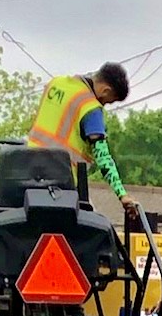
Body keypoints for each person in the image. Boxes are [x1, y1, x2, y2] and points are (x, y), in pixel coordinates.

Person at [27, 63, 134, 213]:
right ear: (106, 90)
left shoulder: (56, 83)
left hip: (28, 173)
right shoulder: (90, 108)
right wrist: (122, 195)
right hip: (63, 184)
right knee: (92, 227)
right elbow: (103, 157)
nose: (105, 104)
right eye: (109, 101)